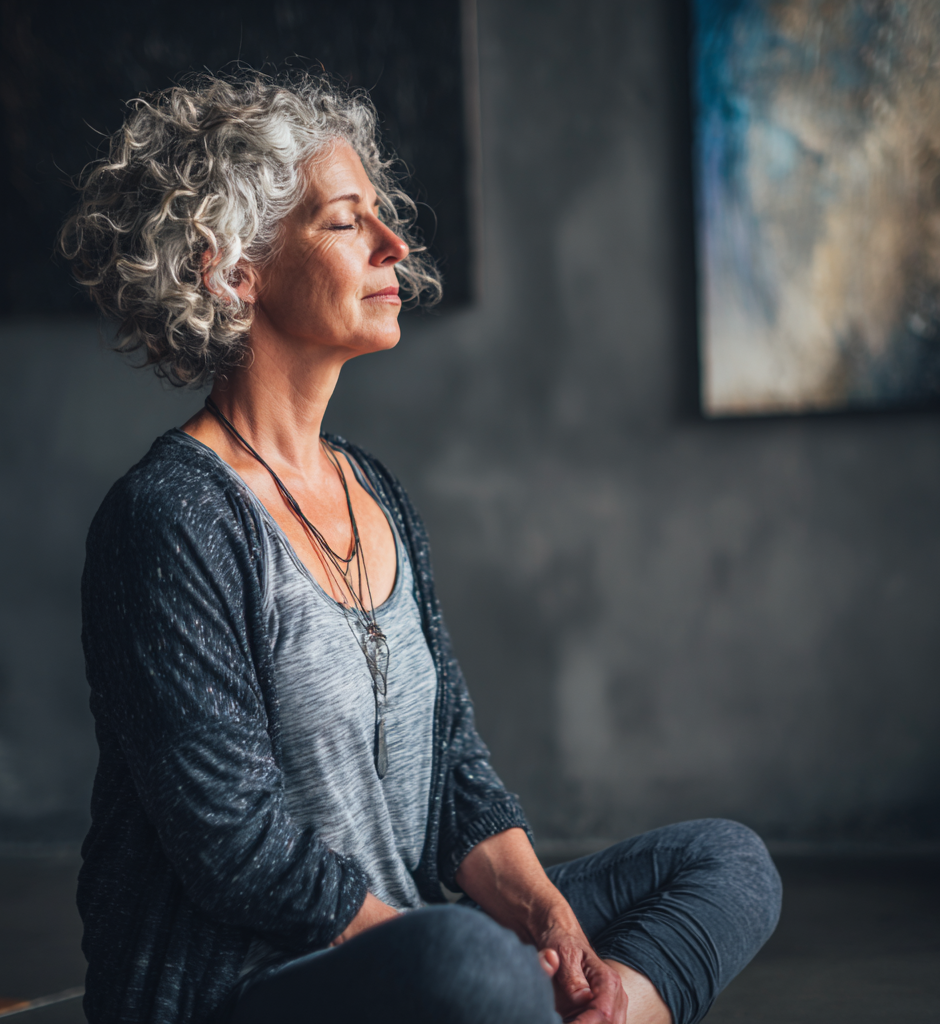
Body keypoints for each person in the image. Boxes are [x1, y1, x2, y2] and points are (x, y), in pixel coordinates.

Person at [62, 71, 781, 1024]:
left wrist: (555, 930)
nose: (395, 246)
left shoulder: (373, 491)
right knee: (469, 964)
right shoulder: (168, 519)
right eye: (346, 222)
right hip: (238, 985)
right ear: (234, 270)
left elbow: (453, 771)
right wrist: (467, 950)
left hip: (409, 933)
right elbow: (235, 848)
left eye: (381, 218)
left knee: (726, 862)